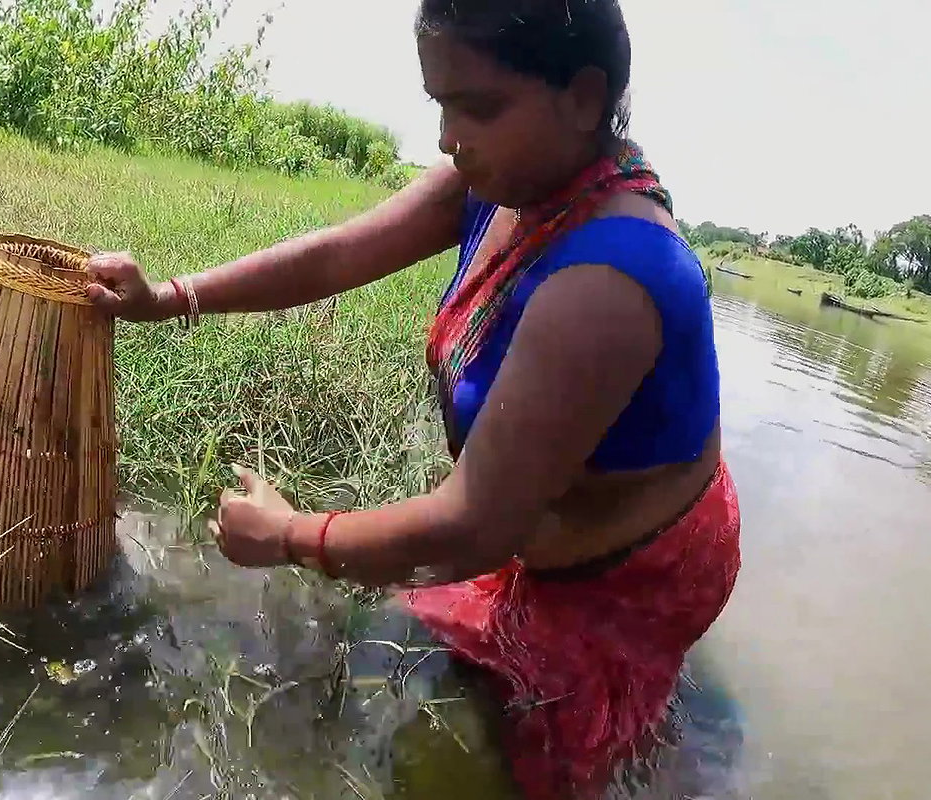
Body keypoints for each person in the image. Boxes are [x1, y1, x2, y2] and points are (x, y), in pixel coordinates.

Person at [83, 1, 741, 797]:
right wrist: (172, 296)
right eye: (440, 104)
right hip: (544, 515)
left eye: (479, 106)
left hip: (632, 567)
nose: (448, 138)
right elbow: (335, 256)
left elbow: (474, 527)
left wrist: (292, 533)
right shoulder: (501, 182)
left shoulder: (611, 277)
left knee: (533, 748)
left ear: (583, 95)